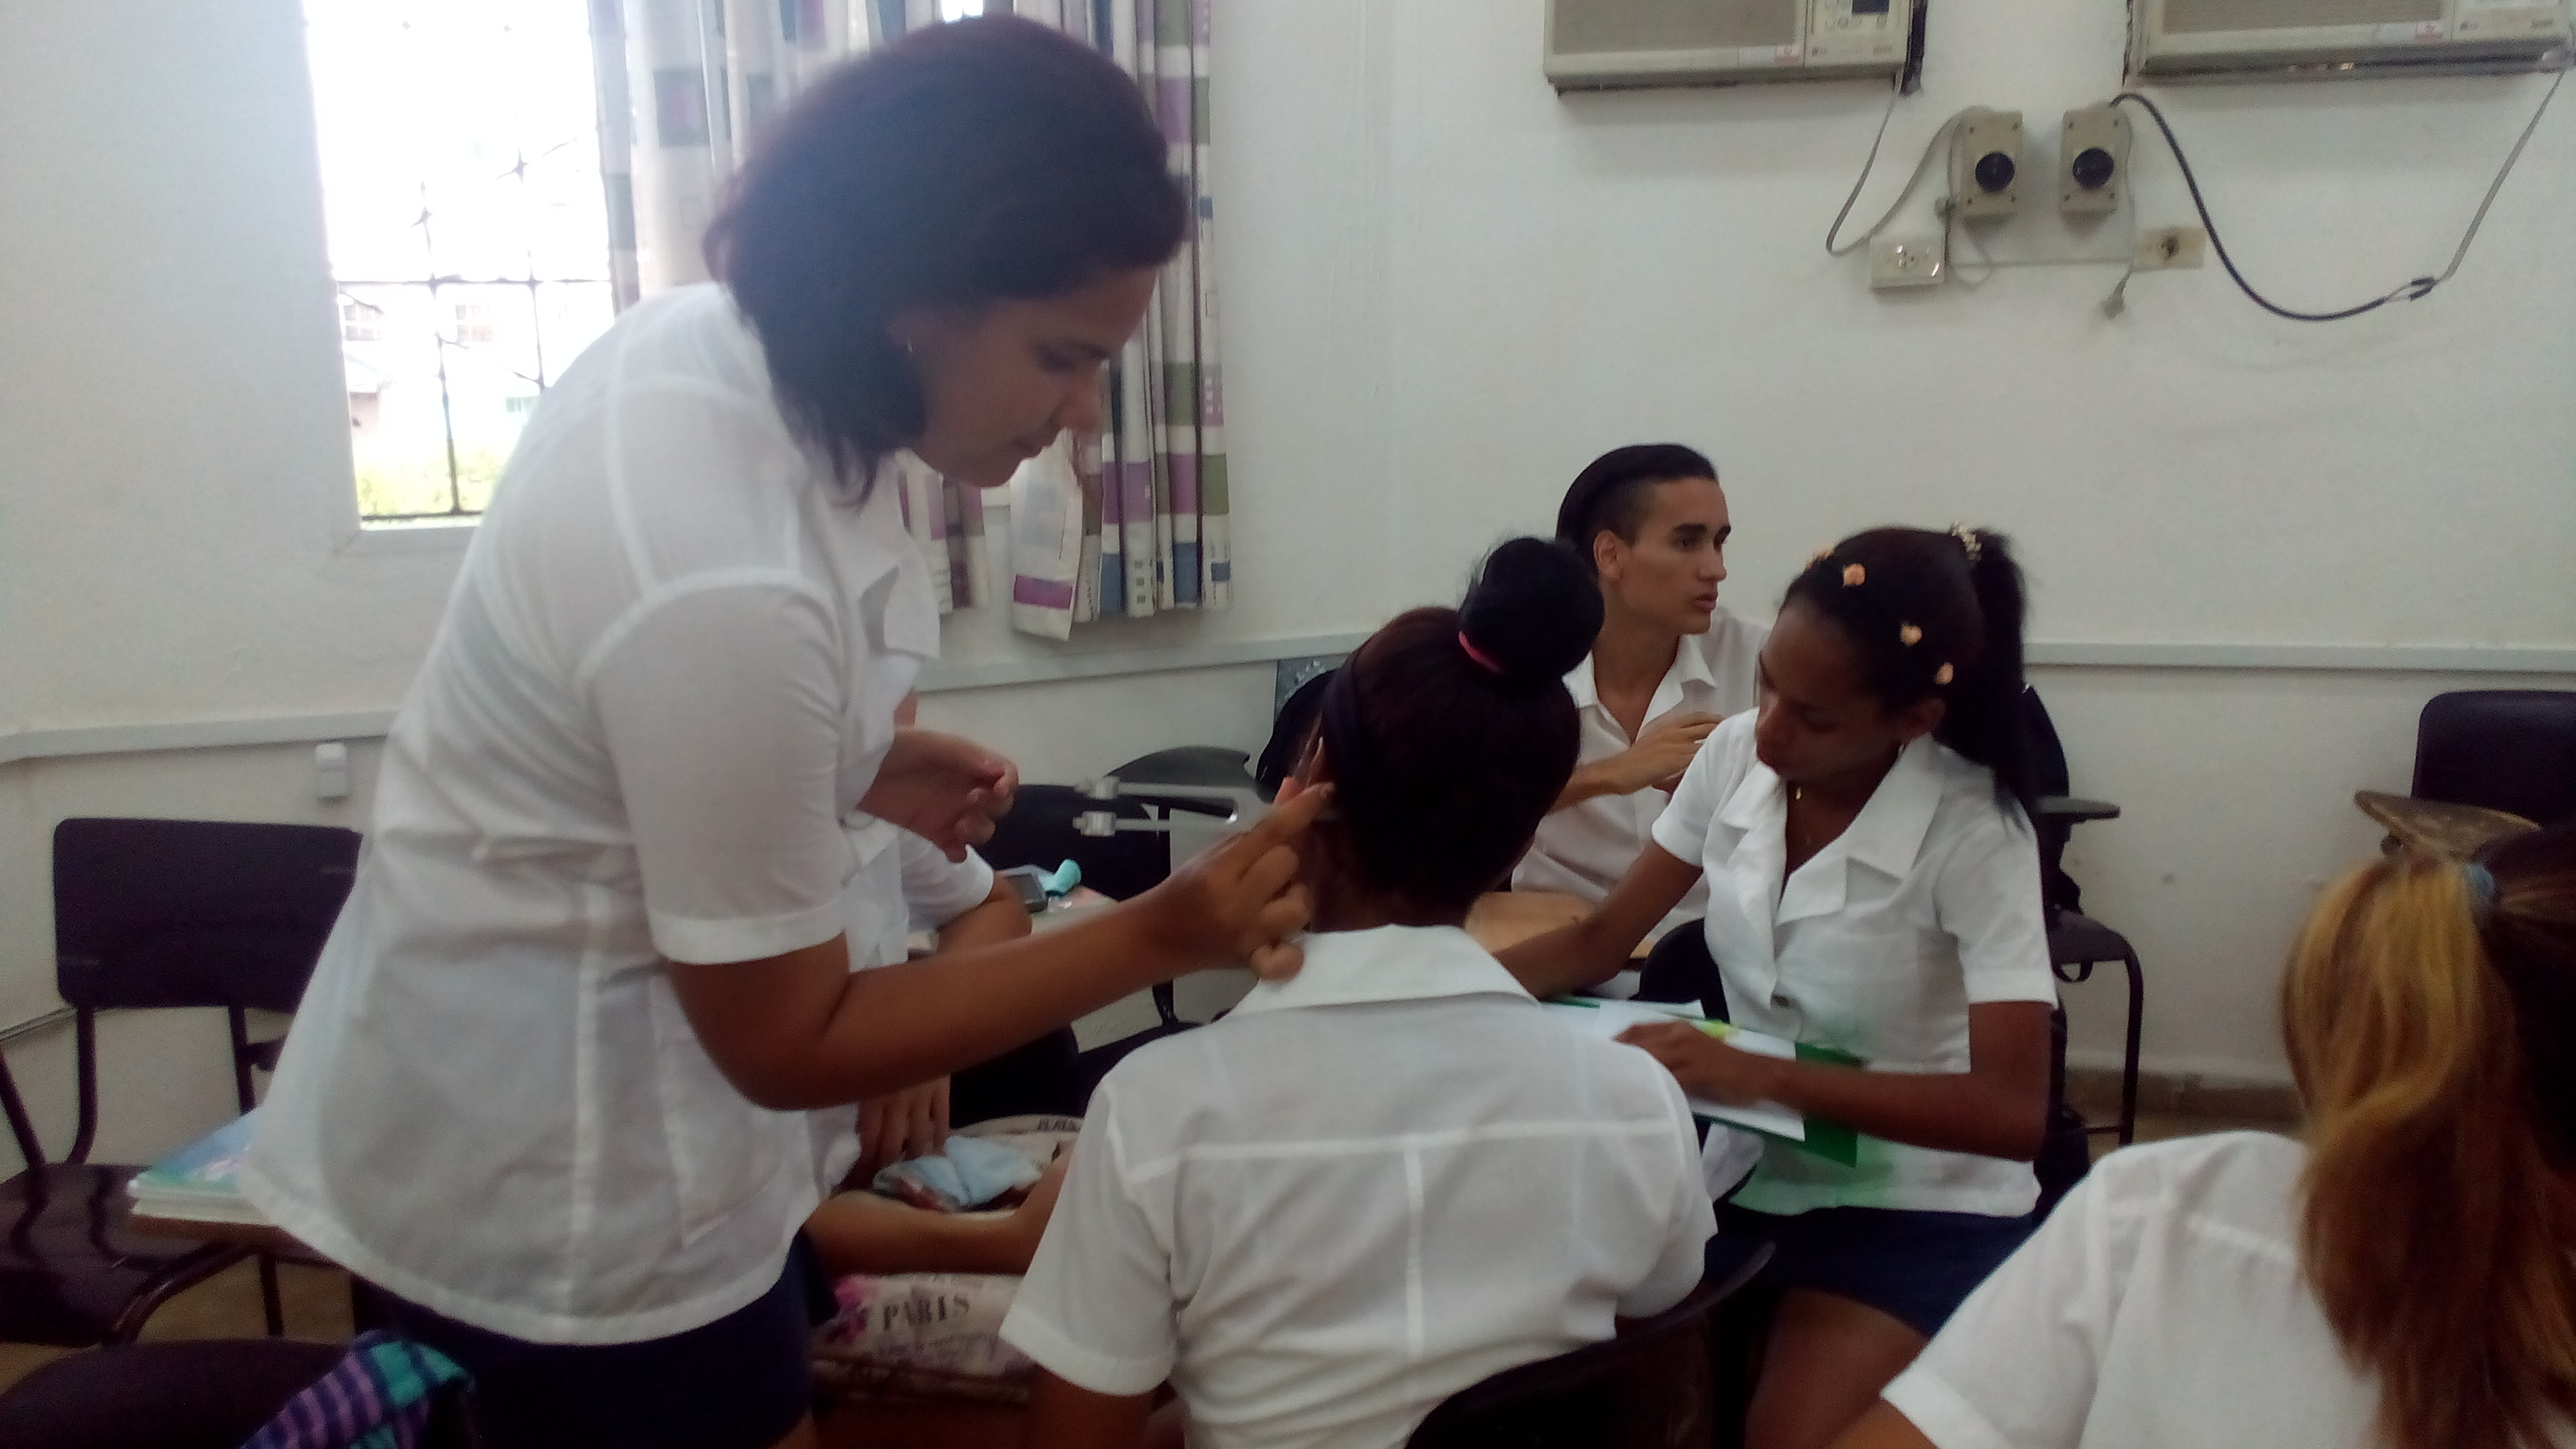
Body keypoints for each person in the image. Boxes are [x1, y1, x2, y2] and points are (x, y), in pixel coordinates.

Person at [240, 19, 1322, 1449]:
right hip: (570, 1200)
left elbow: (633, 731)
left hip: (573, 1125)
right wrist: (1157, 935)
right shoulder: (720, 563)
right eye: (1061, 359)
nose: (1081, 418)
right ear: (912, 291)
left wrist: (851, 763)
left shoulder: (725, 351)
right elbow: (789, 1038)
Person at [1000, 539, 1717, 1449]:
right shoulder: (1636, 1100)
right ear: (1516, 842)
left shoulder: (1159, 1112)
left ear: (1306, 792)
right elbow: (1644, 1347)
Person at [1501, 525, 2057, 1449]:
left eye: (1815, 717)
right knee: (1574, 1388)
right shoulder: (1735, 757)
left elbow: (2010, 1112)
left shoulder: (1975, 833)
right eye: (1765, 686)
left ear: (1913, 721)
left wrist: (1761, 1076)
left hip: (1915, 1204)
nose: (1768, 730)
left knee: (1782, 1437)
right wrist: (1429, 988)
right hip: (1750, 1175)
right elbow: (1600, 939)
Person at [1837, 818, 2576, 1449]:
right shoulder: (2162, 1221)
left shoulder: (2170, 1213)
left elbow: (2006, 1112)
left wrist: (1783, 1081)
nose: (1783, 739)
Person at [1515, 444, 1767, 947]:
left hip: (1713, 951)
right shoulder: (1525, 664)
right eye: (1687, 543)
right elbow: (1449, 819)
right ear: (1611, 555)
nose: (1715, 569)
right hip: (1551, 941)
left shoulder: (1763, 658)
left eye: (1719, 542)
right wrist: (1608, 776)